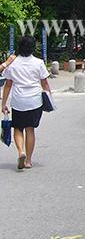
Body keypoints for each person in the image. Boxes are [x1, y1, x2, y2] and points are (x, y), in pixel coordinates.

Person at [1, 36, 51, 170]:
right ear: (33, 48)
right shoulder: (39, 62)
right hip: (35, 101)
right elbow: (44, 82)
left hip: (19, 101)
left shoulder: (14, 63)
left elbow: (8, 84)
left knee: (18, 128)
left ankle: (20, 152)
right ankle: (28, 160)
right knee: (30, 129)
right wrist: (49, 97)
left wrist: (3, 103)